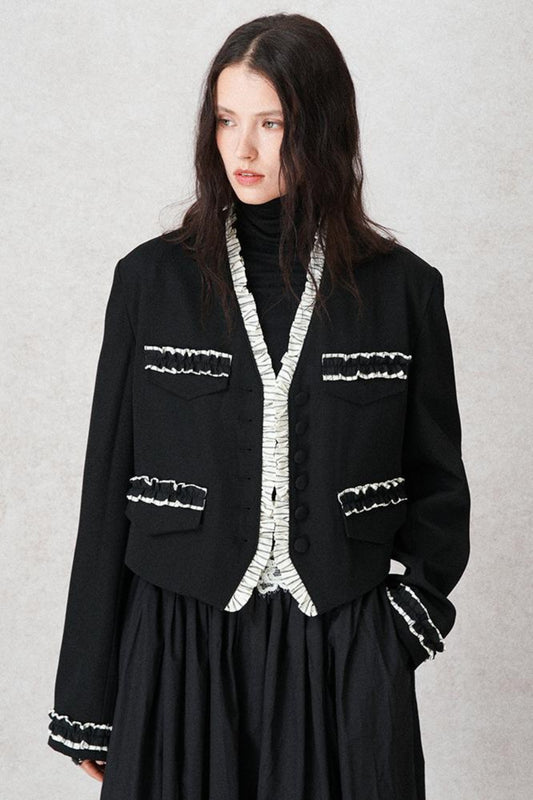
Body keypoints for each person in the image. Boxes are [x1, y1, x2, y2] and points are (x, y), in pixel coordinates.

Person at [47, 12, 471, 799]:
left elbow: (438, 485)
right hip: (177, 647)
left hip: (342, 647)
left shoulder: (403, 291)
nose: (242, 149)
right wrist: (87, 699)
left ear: (321, 128)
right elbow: (106, 493)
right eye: (225, 120)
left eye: (270, 124)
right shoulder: (150, 283)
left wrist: (399, 631)